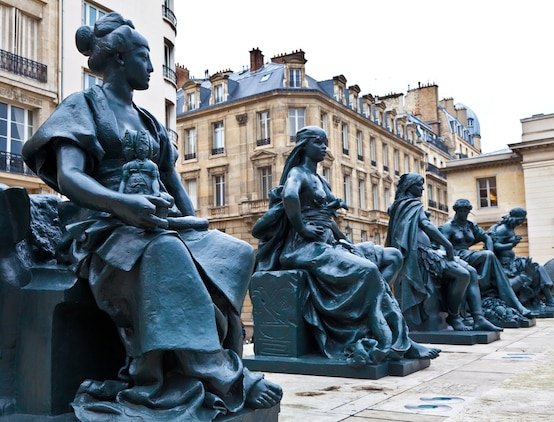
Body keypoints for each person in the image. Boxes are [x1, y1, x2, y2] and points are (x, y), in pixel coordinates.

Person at [22, 13, 281, 421]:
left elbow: (173, 184)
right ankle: (217, 373)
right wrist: (123, 205)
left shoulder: (148, 121)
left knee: (233, 252)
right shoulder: (83, 105)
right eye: (146, 57)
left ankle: (217, 356)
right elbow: (70, 177)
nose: (153, 67)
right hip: (104, 227)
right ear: (121, 59)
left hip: (157, 222)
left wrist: (198, 228)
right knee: (165, 252)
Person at [252, 126, 440, 366]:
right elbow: (290, 197)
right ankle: (387, 336)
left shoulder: (320, 179)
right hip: (302, 248)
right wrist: (302, 228)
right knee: (369, 270)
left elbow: (327, 220)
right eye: (319, 142)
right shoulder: (298, 173)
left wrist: (345, 240)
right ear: (304, 146)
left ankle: (365, 315)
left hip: (328, 243)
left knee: (393, 257)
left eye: (325, 142)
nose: (324, 147)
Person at [386, 174, 501, 332]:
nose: (422, 188)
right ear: (409, 186)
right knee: (463, 274)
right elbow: (426, 224)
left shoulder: (404, 205)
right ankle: (454, 318)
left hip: (428, 252)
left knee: (472, 272)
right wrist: (447, 245)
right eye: (419, 184)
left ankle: (478, 318)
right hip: (420, 255)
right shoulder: (410, 204)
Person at [439, 199, 535, 316]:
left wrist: (490, 250)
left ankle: (515, 303)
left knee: (489, 255)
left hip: (468, 255)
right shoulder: (448, 227)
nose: (464, 214)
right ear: (456, 211)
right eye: (461, 211)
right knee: (488, 255)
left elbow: (487, 238)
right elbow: (442, 247)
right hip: (457, 257)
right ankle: (488, 283)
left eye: (466, 211)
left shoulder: (470, 225)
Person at [487, 207, 554, 308]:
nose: (522, 222)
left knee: (538, 267)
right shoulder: (503, 229)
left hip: (511, 261)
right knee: (536, 268)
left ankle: (548, 299)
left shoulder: (510, 228)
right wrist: (512, 244)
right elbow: (495, 246)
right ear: (516, 218)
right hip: (504, 264)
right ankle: (549, 299)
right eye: (522, 219)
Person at [119, 129, 173, 218]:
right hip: (131, 194)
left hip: (146, 192)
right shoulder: (128, 165)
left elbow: (155, 180)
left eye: (145, 148)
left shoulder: (152, 166)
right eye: (140, 148)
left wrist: (156, 191)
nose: (142, 150)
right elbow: (123, 181)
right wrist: (120, 194)